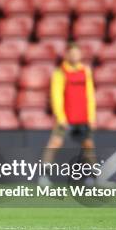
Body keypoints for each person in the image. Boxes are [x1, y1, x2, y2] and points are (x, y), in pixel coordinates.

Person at [39, 43, 97, 187]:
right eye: (71, 53)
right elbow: (56, 96)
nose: (74, 56)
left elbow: (89, 95)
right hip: (66, 117)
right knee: (55, 143)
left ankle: (94, 178)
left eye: (76, 53)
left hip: (82, 116)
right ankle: (43, 177)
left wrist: (91, 116)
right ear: (66, 55)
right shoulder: (60, 72)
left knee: (88, 146)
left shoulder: (86, 71)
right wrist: (61, 117)